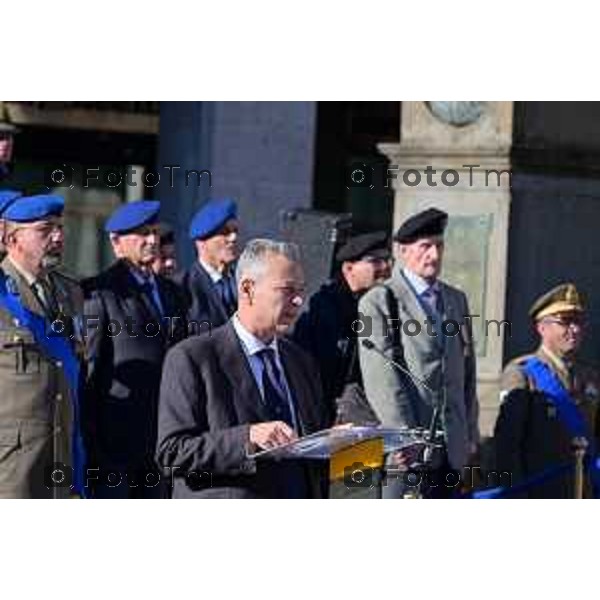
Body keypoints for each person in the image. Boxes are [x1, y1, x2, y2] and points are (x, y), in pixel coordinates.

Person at [157, 239, 330, 498]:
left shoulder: (300, 361)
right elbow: (172, 453)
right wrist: (247, 438)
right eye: (286, 290)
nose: (298, 301)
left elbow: (306, 444)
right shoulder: (193, 357)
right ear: (248, 289)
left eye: (301, 291)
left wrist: (337, 440)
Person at [358, 207, 479, 498]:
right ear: (402, 251)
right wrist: (403, 437)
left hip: (452, 450)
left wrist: (470, 432)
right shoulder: (379, 301)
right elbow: (382, 380)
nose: (434, 256)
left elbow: (466, 371)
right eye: (425, 247)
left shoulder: (455, 299)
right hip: (409, 454)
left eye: (439, 246)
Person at [82, 200, 188, 498]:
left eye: (153, 232)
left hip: (164, 440)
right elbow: (90, 374)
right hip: (116, 449)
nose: (152, 240)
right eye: (142, 234)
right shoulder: (100, 293)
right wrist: (96, 450)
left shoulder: (173, 293)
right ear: (117, 243)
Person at [0, 194, 86, 498]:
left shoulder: (68, 290)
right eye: (44, 229)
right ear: (11, 238)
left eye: (60, 228)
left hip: (64, 454)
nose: (58, 237)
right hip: (13, 465)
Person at [494, 283, 600, 498]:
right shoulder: (522, 373)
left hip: (585, 490)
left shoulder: (590, 377)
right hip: (540, 492)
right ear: (542, 328)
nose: (575, 329)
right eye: (566, 322)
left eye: (578, 322)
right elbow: (507, 445)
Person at [293, 231, 391, 424]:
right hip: (331, 416)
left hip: (366, 411)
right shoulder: (323, 307)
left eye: (388, 260)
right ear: (349, 268)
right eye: (376, 261)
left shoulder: (376, 303)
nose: (386, 268)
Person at [175, 198, 239, 331]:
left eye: (235, 231)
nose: (233, 238)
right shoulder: (182, 287)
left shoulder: (242, 281)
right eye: (225, 232)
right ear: (202, 242)